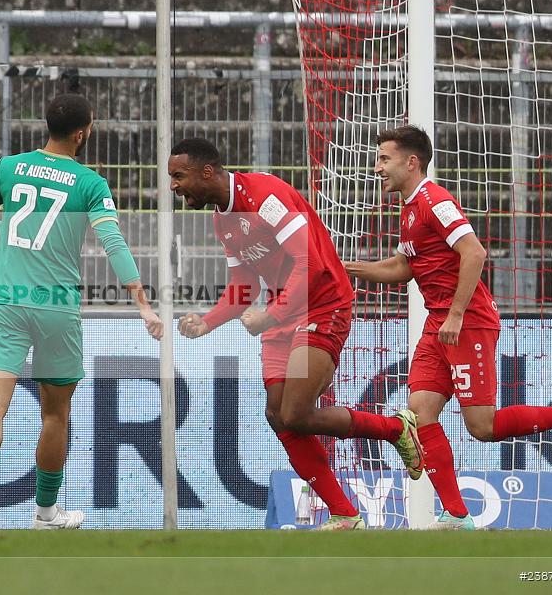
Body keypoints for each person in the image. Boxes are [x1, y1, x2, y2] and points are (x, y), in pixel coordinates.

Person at [345, 125, 552, 529]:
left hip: (467, 322)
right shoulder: (408, 209)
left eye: (384, 159)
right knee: (420, 415)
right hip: (438, 322)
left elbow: (473, 253)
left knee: (483, 427)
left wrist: (457, 314)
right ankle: (456, 515)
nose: (377, 168)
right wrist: (345, 267)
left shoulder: (434, 200)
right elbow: (401, 268)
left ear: (412, 162)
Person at [170, 137, 423, 531]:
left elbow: (309, 264)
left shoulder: (266, 196)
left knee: (296, 412)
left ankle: (394, 429)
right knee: (278, 415)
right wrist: (209, 321)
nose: (173, 185)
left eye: (178, 176)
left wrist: (270, 315)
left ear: (207, 172)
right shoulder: (223, 219)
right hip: (282, 314)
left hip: (322, 302)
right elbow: (242, 283)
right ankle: (344, 512)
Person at [0, 93, 163, 530]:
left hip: (7, 302)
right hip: (57, 307)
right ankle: (46, 513)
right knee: (55, 414)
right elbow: (113, 242)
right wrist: (143, 304)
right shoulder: (89, 183)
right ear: (81, 133)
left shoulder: (9, 166)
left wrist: (17, 225)